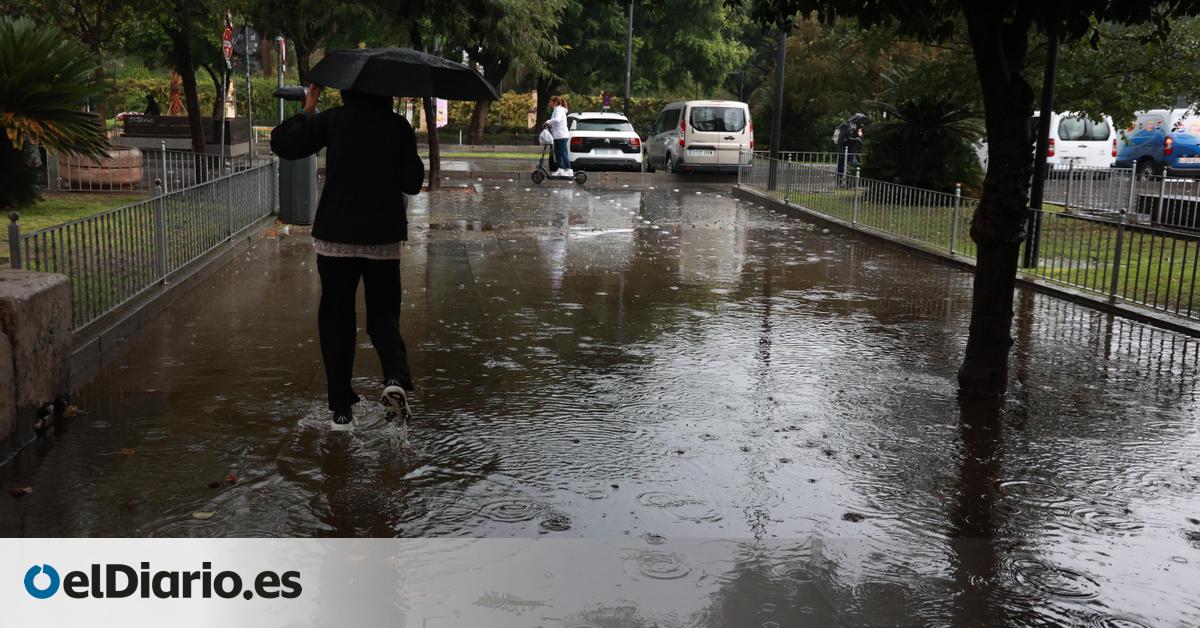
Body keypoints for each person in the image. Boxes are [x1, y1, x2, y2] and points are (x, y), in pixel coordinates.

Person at [270, 84, 425, 430]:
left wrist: (307, 109)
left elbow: (283, 144)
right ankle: (395, 378)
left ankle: (341, 409)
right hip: (382, 238)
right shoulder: (398, 126)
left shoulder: (332, 121)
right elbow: (413, 183)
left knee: (336, 319)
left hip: (336, 236)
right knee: (384, 315)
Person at [543, 95, 572, 177]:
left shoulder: (558, 109)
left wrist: (547, 122)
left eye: (550, 102)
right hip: (558, 135)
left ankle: (569, 169)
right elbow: (557, 123)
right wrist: (550, 125)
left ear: (555, 102)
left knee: (563, 153)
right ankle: (561, 169)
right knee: (557, 153)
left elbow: (557, 119)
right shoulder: (557, 109)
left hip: (561, 135)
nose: (549, 103)